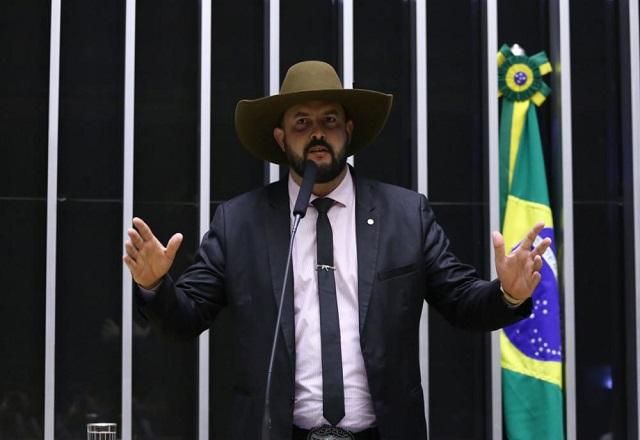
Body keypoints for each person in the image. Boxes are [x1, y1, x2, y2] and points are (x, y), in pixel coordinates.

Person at [123, 60, 549, 440]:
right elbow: (186, 317)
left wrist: (508, 293)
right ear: (280, 138)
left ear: (348, 129)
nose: (317, 134)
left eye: (329, 120)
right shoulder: (240, 222)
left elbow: (461, 303)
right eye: (301, 123)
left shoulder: (404, 215)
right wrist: (154, 286)